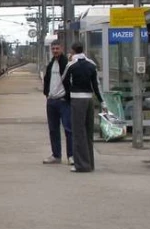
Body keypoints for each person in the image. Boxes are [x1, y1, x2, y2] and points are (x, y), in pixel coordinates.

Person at [62, 41, 107, 172]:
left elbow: (64, 80)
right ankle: (90, 163)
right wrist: (102, 102)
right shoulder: (91, 65)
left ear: (73, 51)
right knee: (88, 132)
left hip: (77, 100)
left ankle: (81, 165)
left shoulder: (71, 65)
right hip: (89, 100)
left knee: (78, 132)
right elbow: (96, 85)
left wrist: (68, 95)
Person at [42, 41, 72, 165]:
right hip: (52, 101)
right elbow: (47, 79)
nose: (55, 51)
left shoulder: (66, 63)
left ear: (62, 48)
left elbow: (70, 81)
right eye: (53, 48)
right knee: (53, 129)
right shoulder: (51, 64)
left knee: (68, 129)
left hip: (64, 101)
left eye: (57, 48)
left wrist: (68, 96)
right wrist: (47, 94)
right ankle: (56, 155)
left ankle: (71, 156)